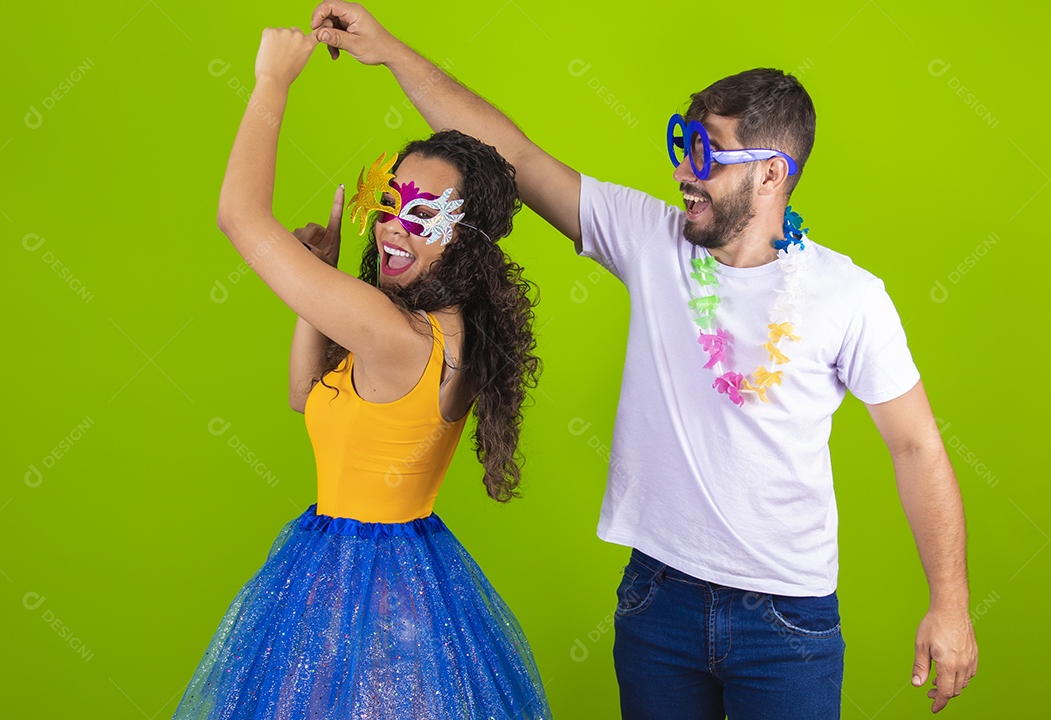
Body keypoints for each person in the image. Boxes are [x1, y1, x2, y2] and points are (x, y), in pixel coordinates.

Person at [307, 3, 980, 718]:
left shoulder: (851, 296)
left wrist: (952, 604)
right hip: (658, 602)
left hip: (786, 624)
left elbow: (915, 445)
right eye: (683, 144)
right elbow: (519, 155)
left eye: (708, 155)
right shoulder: (649, 239)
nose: (685, 173)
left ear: (772, 175)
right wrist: (390, 51)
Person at [172, 27, 551, 719]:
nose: (393, 228)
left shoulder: (395, 333)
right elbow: (304, 396)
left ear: (464, 235)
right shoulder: (439, 327)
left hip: (364, 598)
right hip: (395, 577)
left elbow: (240, 218)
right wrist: (318, 278)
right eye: (389, 203)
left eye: (423, 215)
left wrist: (272, 83)